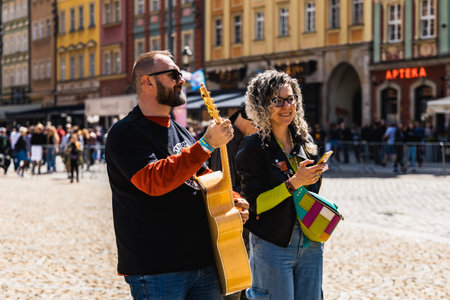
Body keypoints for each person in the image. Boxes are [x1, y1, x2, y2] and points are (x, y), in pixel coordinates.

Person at [105, 50, 249, 300]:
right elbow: (153, 181)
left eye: (180, 74)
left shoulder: (181, 132)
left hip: (203, 262)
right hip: (157, 267)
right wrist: (204, 145)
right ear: (147, 82)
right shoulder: (125, 133)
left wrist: (232, 199)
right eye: (173, 74)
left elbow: (204, 177)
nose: (181, 80)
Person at [236, 70, 328, 300]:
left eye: (290, 99)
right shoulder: (253, 147)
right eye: (276, 101)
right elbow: (255, 204)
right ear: (261, 106)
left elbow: (309, 194)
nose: (286, 106)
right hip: (272, 243)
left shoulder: (305, 143)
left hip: (310, 241)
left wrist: (313, 176)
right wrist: (294, 182)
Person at [210, 104, 257, 300]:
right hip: (233, 232)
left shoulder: (249, 141)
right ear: (247, 118)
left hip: (248, 230)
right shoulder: (227, 142)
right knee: (236, 292)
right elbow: (221, 188)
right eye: (260, 123)